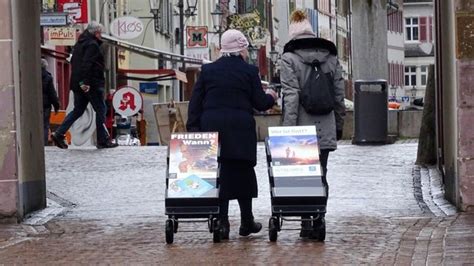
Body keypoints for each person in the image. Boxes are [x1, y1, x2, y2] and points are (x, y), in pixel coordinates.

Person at [187, 29, 277, 240]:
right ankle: (247, 220)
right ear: (241, 49)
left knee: (219, 174)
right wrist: (271, 96)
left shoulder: (208, 71)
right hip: (240, 130)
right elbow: (260, 103)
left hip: (213, 128)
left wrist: (194, 129)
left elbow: (195, 102)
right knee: (243, 172)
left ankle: (222, 221)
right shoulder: (249, 71)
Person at [280, 10, 346, 238]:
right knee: (321, 174)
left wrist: (287, 132)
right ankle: (319, 220)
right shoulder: (331, 57)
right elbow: (339, 95)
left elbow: (291, 97)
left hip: (300, 127)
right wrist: (338, 124)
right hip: (324, 126)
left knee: (301, 176)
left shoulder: (289, 59)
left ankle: (306, 222)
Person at [51, 21, 118, 149]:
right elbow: (87, 65)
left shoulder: (79, 44)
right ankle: (102, 140)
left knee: (78, 110)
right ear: (96, 32)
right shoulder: (92, 45)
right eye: (100, 33)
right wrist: (85, 83)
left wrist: (80, 83)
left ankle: (59, 133)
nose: (101, 35)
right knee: (101, 110)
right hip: (91, 84)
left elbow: (76, 64)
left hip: (77, 84)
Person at [41, 58, 60, 144]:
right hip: (46, 105)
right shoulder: (48, 77)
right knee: (45, 124)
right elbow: (52, 93)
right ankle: (43, 143)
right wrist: (56, 106)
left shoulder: (32, 76)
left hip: (34, 105)